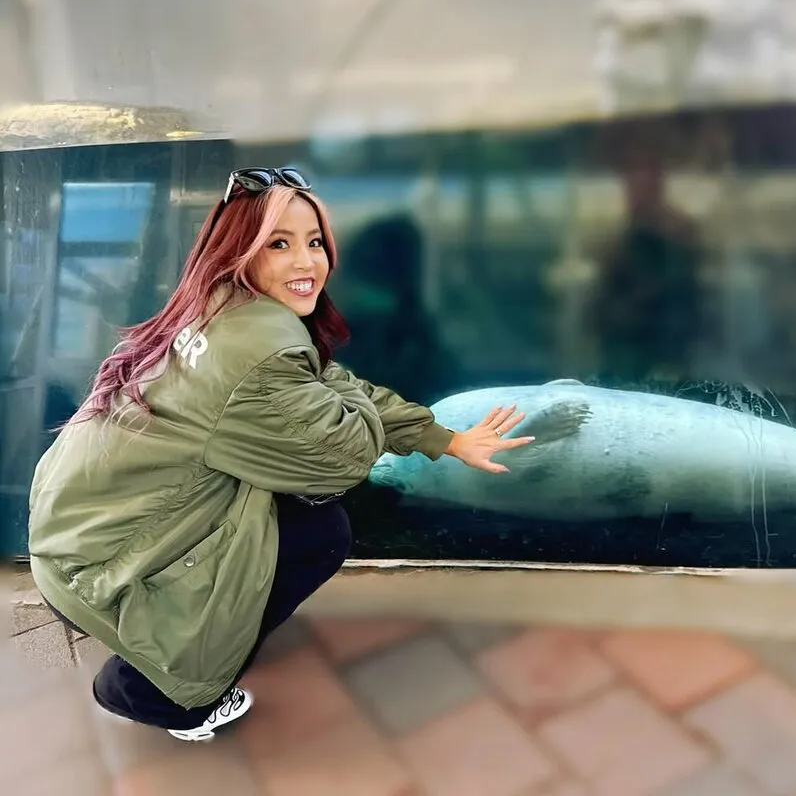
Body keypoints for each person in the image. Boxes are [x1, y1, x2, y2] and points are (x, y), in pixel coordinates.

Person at [27, 166, 533, 742]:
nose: (306, 262)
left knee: (286, 514)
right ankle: (157, 693)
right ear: (240, 251)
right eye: (279, 244)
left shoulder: (222, 307)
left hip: (75, 534)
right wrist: (351, 405)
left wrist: (442, 439)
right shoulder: (262, 354)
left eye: (314, 242)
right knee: (322, 534)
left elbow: (328, 386)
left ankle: (200, 630)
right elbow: (344, 457)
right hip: (102, 570)